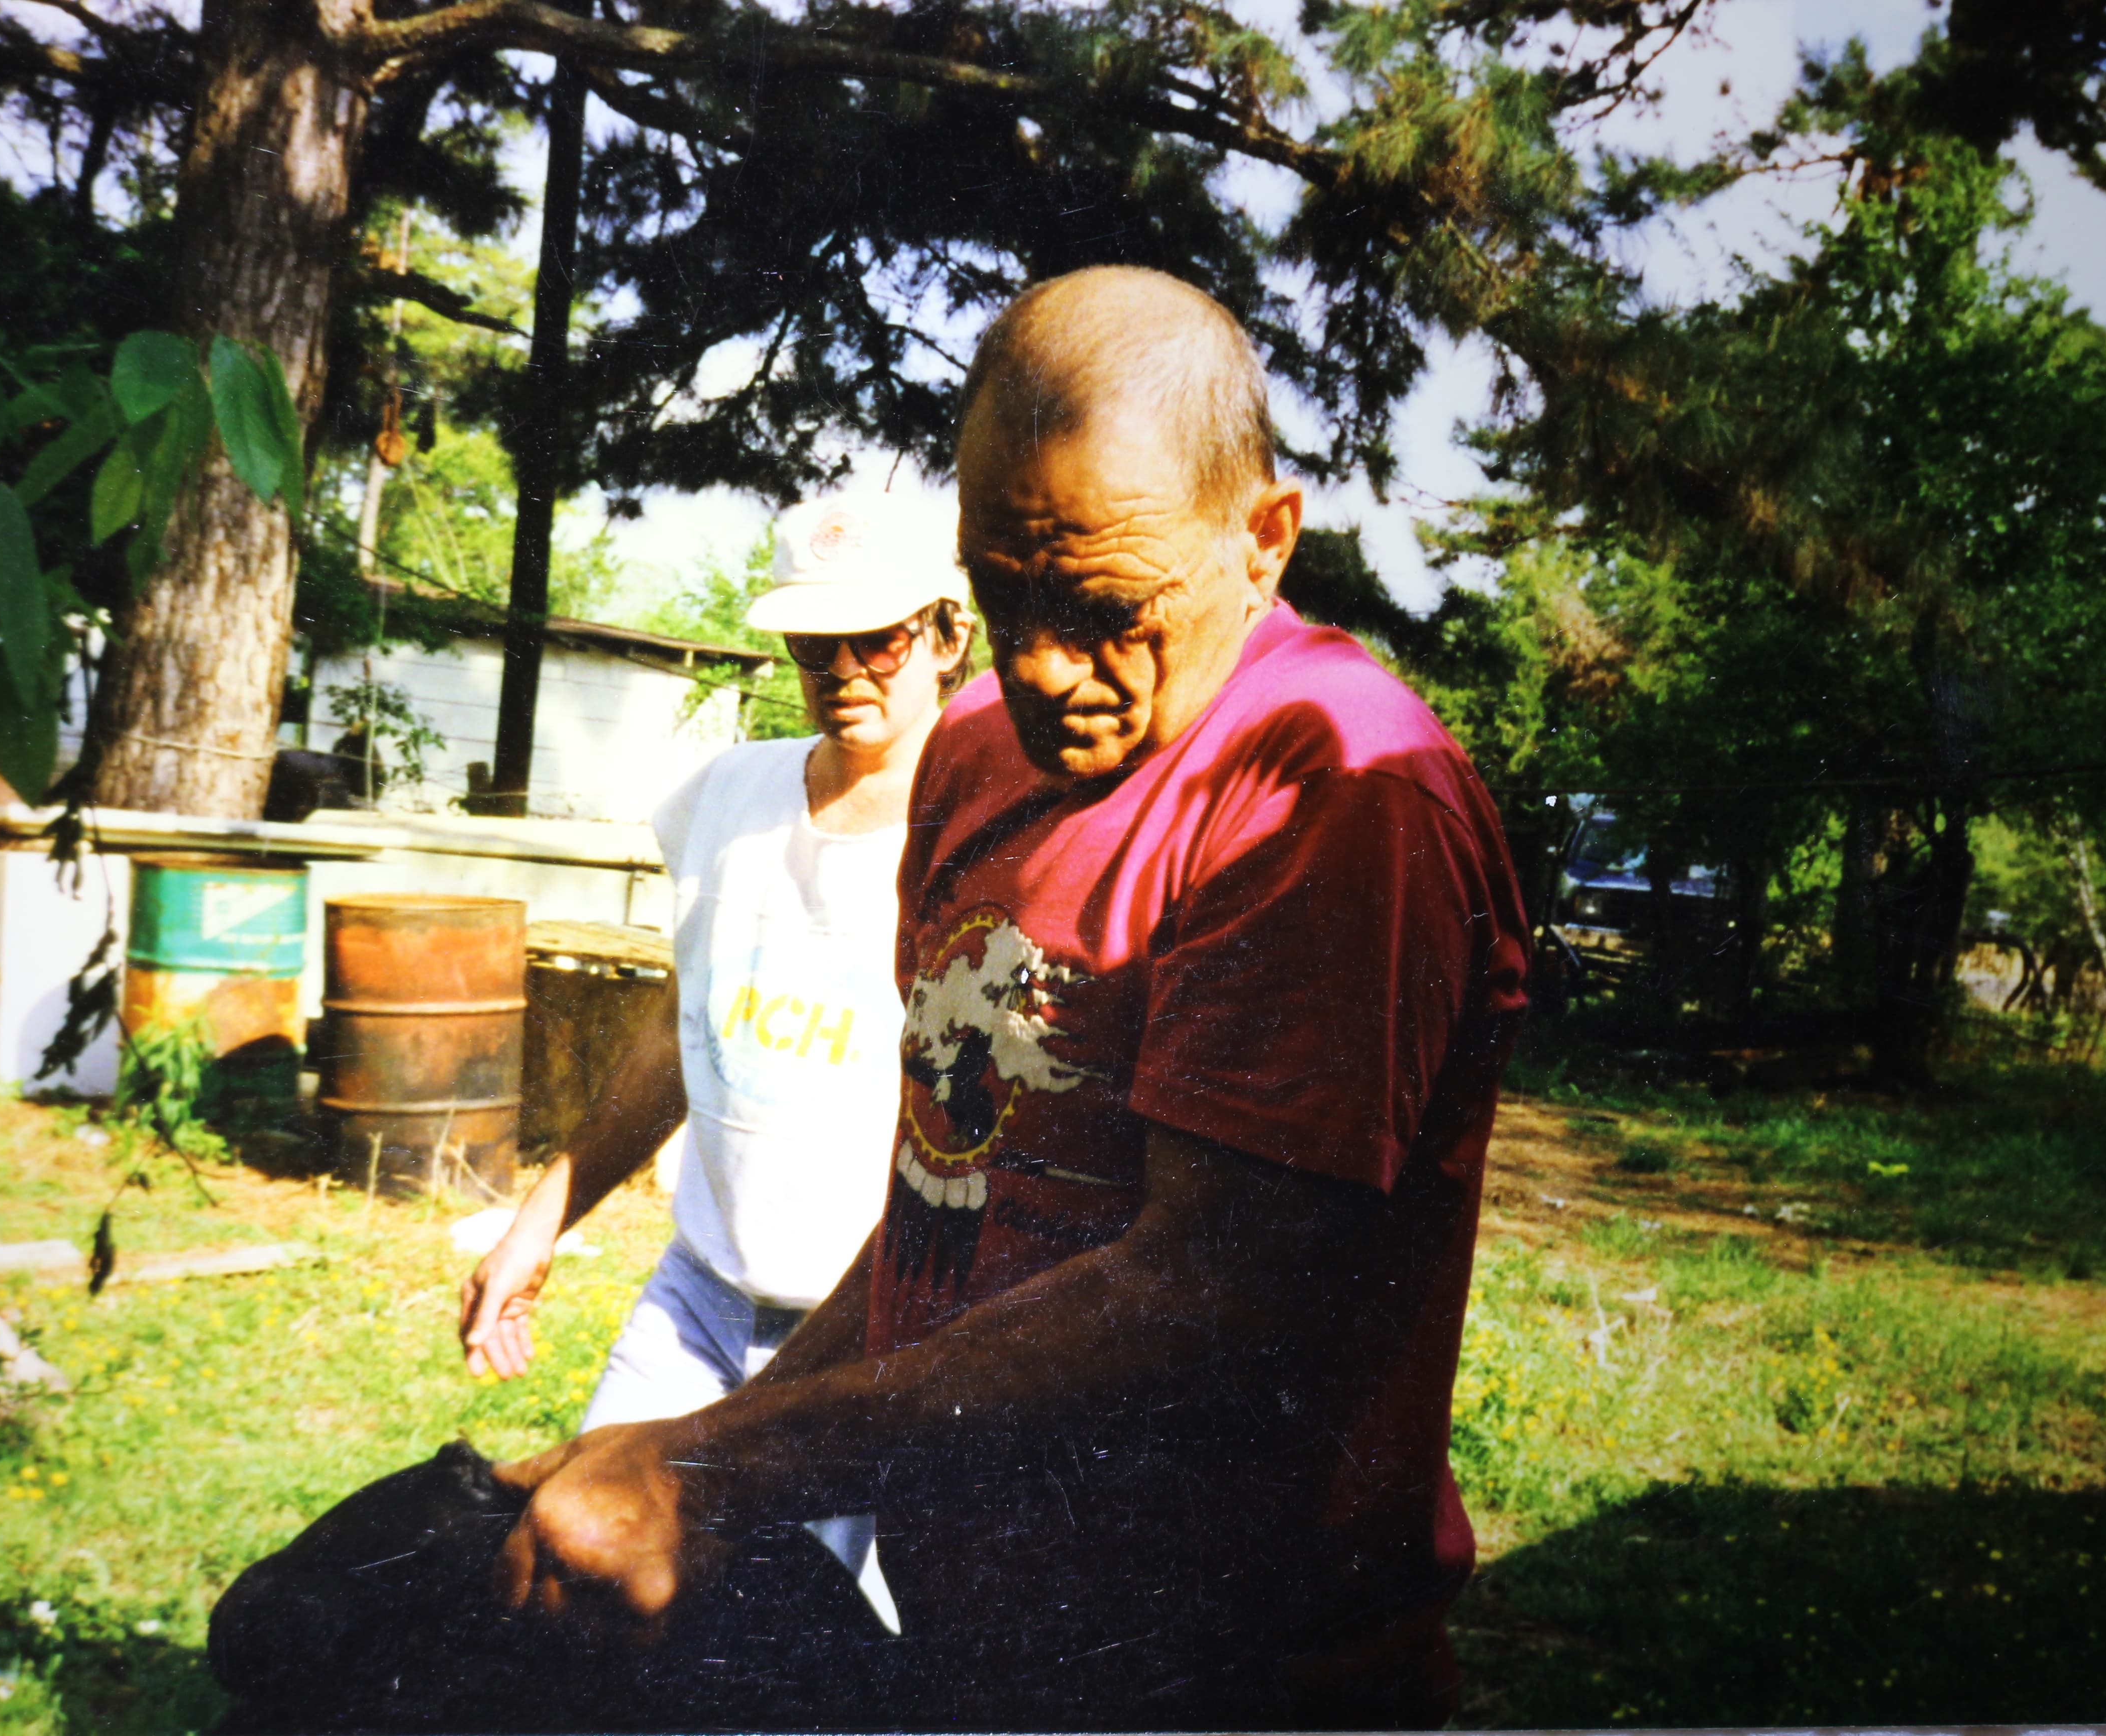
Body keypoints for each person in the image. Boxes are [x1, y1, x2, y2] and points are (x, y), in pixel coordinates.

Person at [491, 266, 1533, 1728]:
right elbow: (945, 1201)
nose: (1046, 667)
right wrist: (709, 1439)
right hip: (976, 1642)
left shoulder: (1335, 795)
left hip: (1239, 1679)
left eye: (1107, 608)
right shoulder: (974, 758)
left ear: (1266, 539)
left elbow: (1212, 1294)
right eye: (1003, 591)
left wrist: (719, 1465)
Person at [456, 488, 973, 1638]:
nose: (843, 668)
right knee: (576, 1574)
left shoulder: (981, 829)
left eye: (877, 637)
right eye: (811, 641)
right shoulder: (723, 802)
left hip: (875, 1335)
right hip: (700, 1301)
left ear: (947, 632)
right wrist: (540, 1221)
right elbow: (683, 1035)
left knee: (824, 1650)